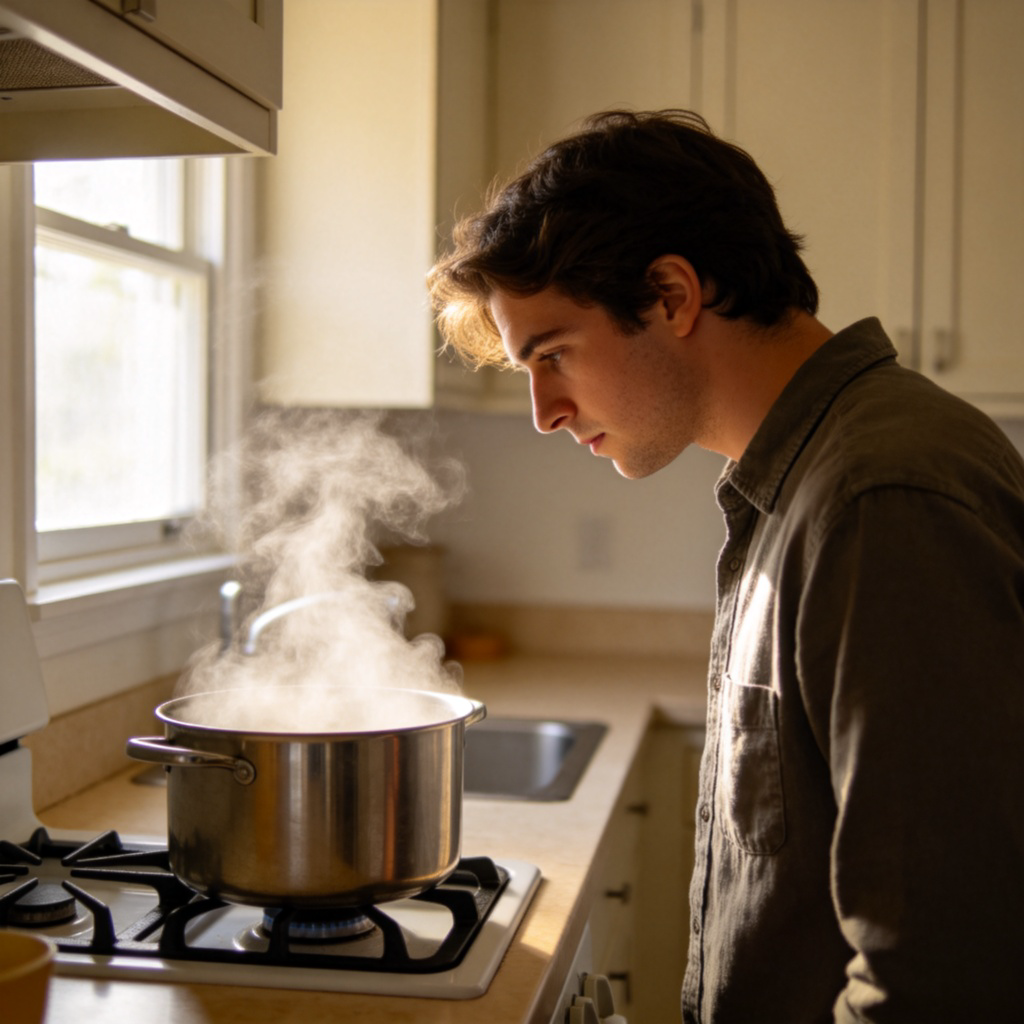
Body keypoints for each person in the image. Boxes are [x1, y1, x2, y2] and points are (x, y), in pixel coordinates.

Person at [428, 109, 1024, 1023]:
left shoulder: (881, 498)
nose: (545, 411)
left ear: (670, 295)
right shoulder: (806, 483)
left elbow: (938, 970)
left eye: (552, 355)